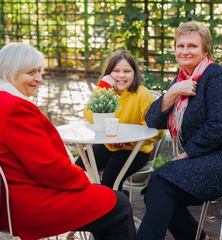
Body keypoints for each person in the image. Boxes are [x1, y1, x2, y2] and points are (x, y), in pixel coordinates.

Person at [0, 42, 136, 240]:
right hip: (30, 202)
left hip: (15, 196)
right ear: (10, 72)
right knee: (118, 204)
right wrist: (83, 178)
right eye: (31, 73)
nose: (39, 79)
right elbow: (47, 167)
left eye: (39, 72)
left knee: (108, 203)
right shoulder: (15, 108)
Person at [137, 21, 222, 240]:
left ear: (205, 50)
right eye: (180, 46)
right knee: (157, 192)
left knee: (160, 183)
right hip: (205, 158)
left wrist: (187, 153)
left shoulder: (218, 77)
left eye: (192, 46)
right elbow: (152, 120)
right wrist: (171, 93)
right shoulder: (181, 80)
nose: (185, 51)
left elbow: (221, 124)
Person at [75, 49, 164, 191]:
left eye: (127, 71)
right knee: (77, 171)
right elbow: (90, 117)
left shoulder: (144, 96)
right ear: (109, 73)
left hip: (136, 149)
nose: (121, 75)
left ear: (134, 73)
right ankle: (85, 207)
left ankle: (114, 209)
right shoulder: (107, 92)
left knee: (110, 178)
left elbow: (157, 132)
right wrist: (102, 88)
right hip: (109, 144)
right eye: (116, 71)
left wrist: (127, 139)